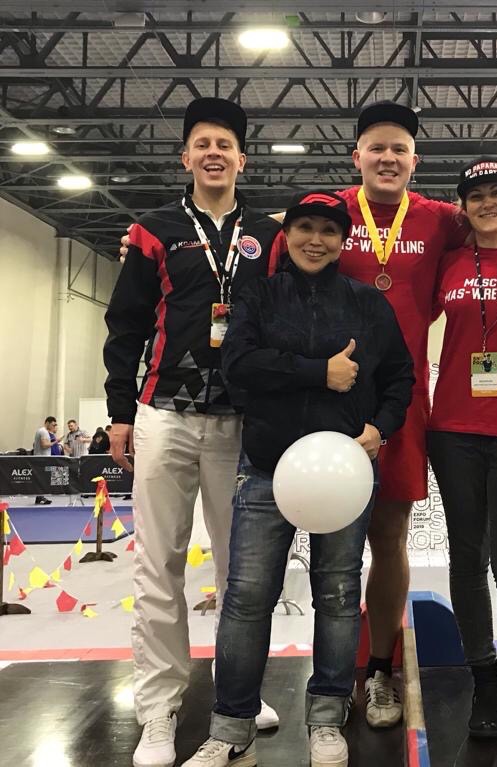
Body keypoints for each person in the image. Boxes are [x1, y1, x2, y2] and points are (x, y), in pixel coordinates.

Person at [312, 102, 497, 727]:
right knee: (334, 546)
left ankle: (380, 673)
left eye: (400, 149)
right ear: (357, 156)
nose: (388, 158)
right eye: (377, 147)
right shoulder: (331, 212)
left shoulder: (441, 219)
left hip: (406, 403)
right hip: (329, 399)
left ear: (415, 161)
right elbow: (275, 230)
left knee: (390, 538)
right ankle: (329, 679)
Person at [182, 191, 414, 767]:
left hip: (344, 475)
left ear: (343, 241)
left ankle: (328, 719)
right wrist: (318, 372)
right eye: (305, 227)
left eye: (329, 231)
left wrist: (380, 428)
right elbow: (238, 366)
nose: (316, 240)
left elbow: (400, 377)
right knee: (246, 597)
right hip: (266, 469)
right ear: (287, 237)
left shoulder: (367, 303)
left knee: (337, 596)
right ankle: (231, 726)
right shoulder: (258, 295)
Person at [104, 96, 284, 767]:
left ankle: (240, 696)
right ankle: (158, 710)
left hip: (243, 422)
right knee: (159, 565)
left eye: (225, 144)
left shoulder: (267, 236)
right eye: (202, 143)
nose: (214, 153)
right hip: (163, 416)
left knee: (244, 571)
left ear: (242, 159)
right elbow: (125, 326)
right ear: (185, 157)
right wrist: (120, 412)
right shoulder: (152, 232)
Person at [426, 157, 497, 738]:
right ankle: (484, 680)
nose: (488, 203)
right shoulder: (445, 262)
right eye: (476, 196)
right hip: (452, 428)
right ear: (463, 207)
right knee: (467, 557)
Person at [32, 416, 59, 504]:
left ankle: (40, 497)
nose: (53, 427)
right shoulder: (43, 431)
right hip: (41, 459)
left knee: (42, 479)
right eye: (52, 425)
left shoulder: (43, 431)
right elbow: (44, 445)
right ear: (47, 423)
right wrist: (56, 441)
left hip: (42, 458)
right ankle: (40, 497)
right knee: (41, 479)